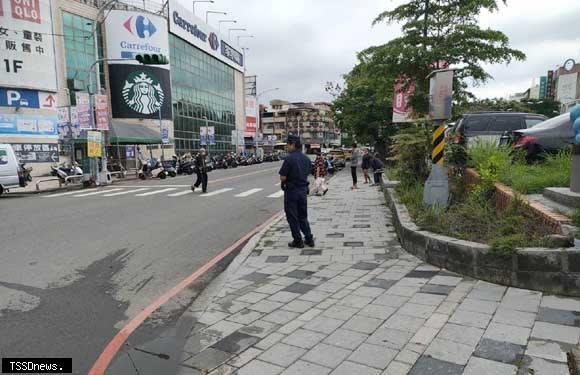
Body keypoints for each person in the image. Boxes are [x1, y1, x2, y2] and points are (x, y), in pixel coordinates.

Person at [279, 135, 314, 249]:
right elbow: (309, 173)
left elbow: (283, 177)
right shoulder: (306, 159)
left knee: (292, 216)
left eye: (288, 145)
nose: (287, 147)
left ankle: (298, 240)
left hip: (292, 191)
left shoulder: (289, 159)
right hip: (303, 191)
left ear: (293, 145)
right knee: (303, 216)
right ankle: (309, 238)